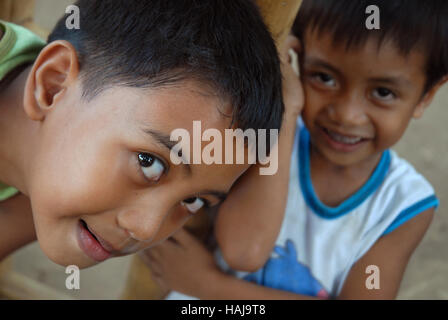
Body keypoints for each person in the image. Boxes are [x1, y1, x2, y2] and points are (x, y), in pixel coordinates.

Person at [142, 0, 448, 299]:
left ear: (426, 95)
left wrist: (210, 287)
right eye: (323, 77)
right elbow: (244, 249)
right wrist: (285, 109)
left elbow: (240, 258)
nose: (346, 114)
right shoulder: (266, 137)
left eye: (383, 92)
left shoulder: (402, 206)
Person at [0, 0, 285, 269]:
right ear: (53, 85)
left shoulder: (49, 167)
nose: (145, 229)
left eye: (192, 201)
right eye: (149, 162)